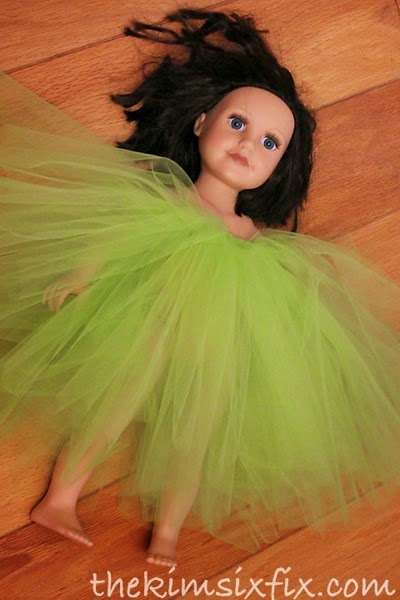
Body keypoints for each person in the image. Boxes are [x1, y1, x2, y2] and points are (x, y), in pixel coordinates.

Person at [0, 9, 399, 568]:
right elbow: (117, 236)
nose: (248, 145)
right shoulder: (167, 199)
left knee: (193, 439)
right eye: (237, 123)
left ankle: (168, 532)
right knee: (112, 406)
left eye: (269, 143)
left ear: (279, 167)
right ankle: (59, 499)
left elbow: (276, 306)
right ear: (200, 122)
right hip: (142, 328)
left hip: (211, 352)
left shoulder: (253, 238)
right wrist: (80, 274)